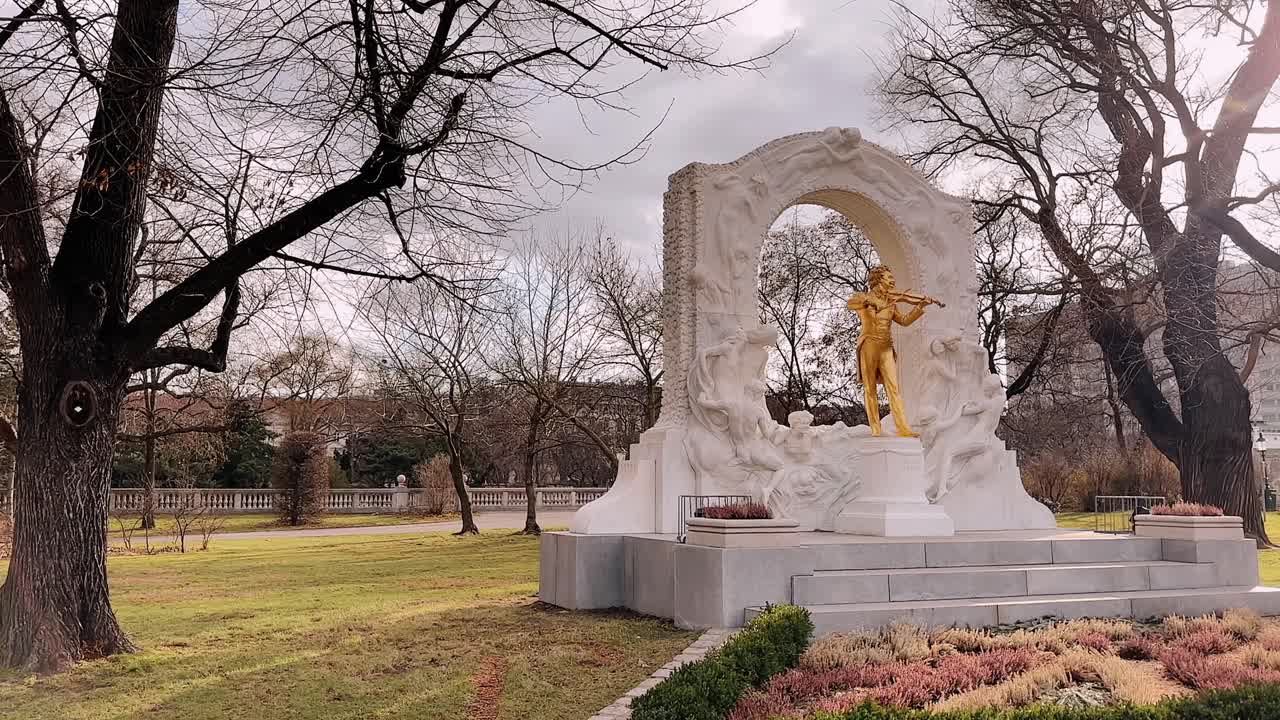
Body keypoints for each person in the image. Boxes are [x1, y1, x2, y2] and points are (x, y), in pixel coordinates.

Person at [847, 266, 934, 437]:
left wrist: (920, 307)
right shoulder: (864, 297)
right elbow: (851, 303)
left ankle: (903, 428)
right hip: (869, 344)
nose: (893, 281)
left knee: (894, 388)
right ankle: (876, 428)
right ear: (878, 280)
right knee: (869, 388)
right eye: (889, 278)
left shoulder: (891, 302)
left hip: (886, 347)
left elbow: (904, 321)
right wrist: (868, 302)